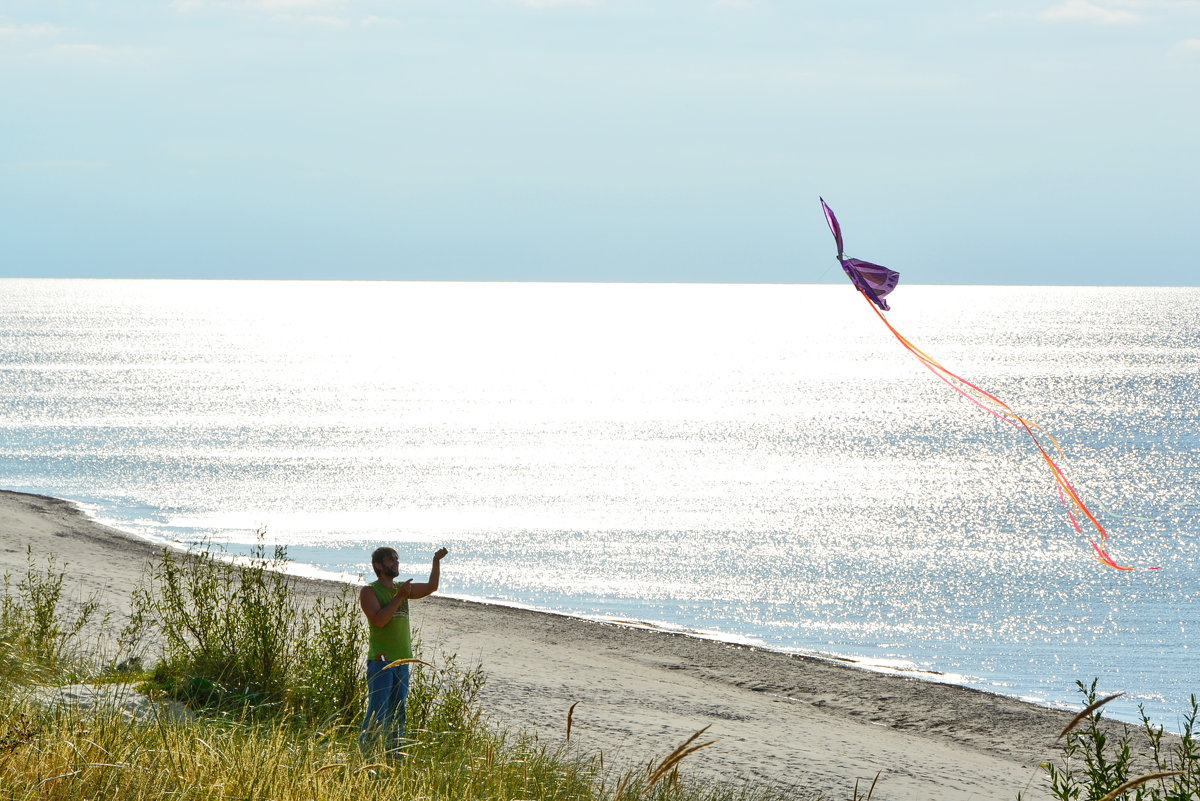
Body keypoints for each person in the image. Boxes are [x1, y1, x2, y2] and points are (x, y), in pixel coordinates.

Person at [358, 545, 448, 755]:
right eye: (391, 560)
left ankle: (394, 755)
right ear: (378, 566)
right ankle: (367, 755)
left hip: (402, 662)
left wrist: (436, 561)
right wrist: (399, 597)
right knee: (377, 712)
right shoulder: (370, 591)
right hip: (381, 662)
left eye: (397, 560)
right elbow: (379, 620)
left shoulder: (401, 588)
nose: (396, 564)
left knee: (398, 713)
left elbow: (431, 587)